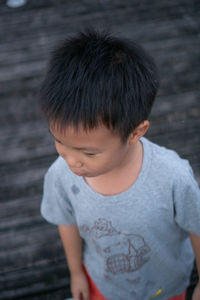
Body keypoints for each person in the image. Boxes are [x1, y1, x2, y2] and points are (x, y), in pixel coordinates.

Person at [39, 29, 200, 300]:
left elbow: (196, 225)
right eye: (60, 142)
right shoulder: (60, 175)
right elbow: (66, 222)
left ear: (136, 132)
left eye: (89, 153)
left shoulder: (172, 176)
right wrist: (75, 271)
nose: (71, 160)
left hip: (165, 287)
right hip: (103, 283)